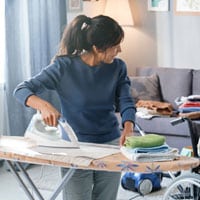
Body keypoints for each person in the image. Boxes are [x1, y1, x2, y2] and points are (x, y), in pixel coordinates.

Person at [14, 14, 136, 200]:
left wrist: (128, 126)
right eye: (115, 45)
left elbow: (126, 100)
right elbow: (21, 90)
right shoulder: (64, 67)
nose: (119, 50)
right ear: (97, 48)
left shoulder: (118, 67)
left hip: (111, 145)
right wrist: (43, 105)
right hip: (75, 147)